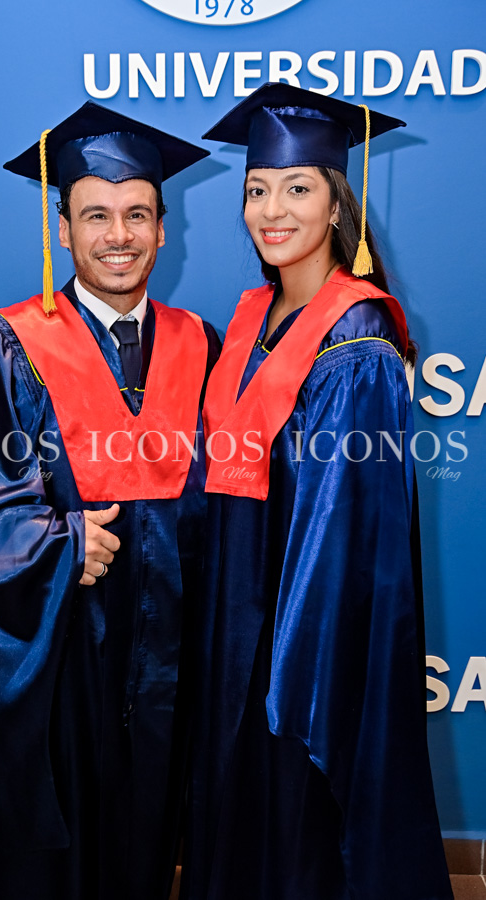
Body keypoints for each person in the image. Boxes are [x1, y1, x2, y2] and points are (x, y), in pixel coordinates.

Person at [0, 101, 220, 900]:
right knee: (53, 861)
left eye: (137, 214)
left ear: (163, 229)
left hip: (170, 660)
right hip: (59, 655)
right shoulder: (4, 343)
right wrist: (59, 542)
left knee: (149, 840)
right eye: (96, 215)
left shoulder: (201, 343)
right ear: (64, 231)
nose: (119, 235)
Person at [181, 84, 453, 900]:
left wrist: (284, 666)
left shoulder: (357, 338)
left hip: (303, 637)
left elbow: (341, 532)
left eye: (297, 189)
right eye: (257, 190)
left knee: (298, 817)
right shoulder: (252, 320)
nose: (272, 211)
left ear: (337, 205)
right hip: (240, 618)